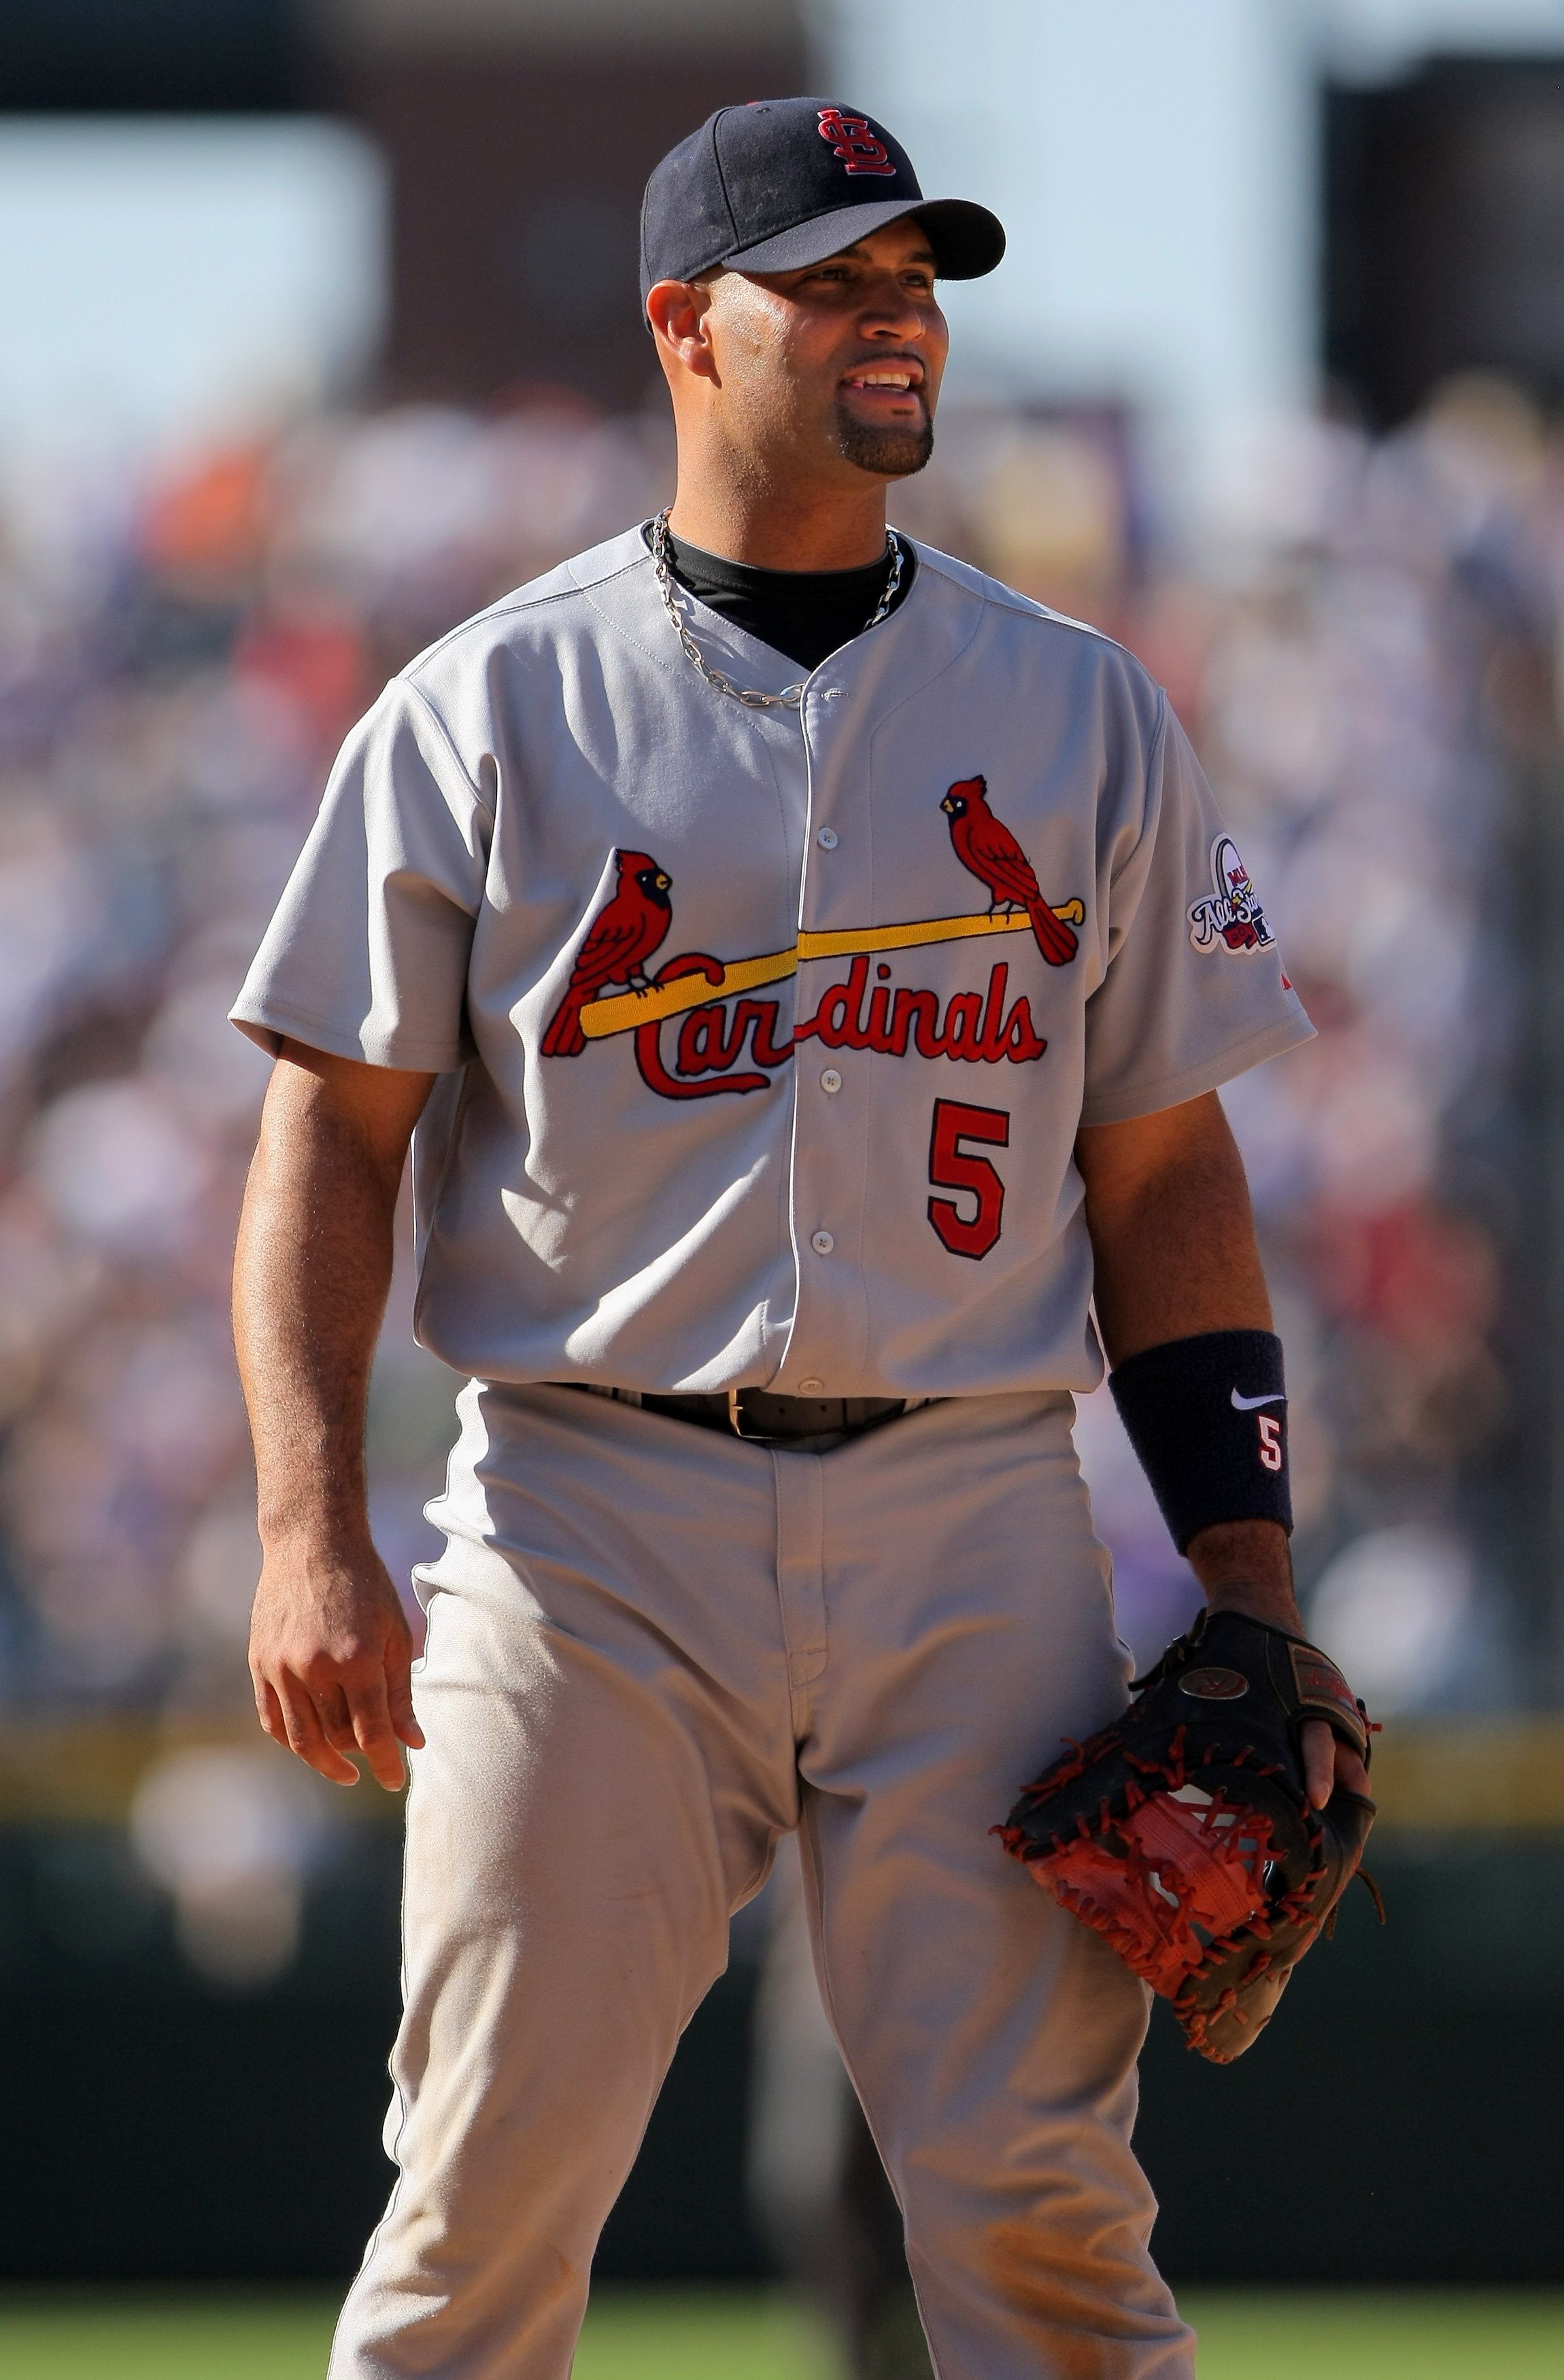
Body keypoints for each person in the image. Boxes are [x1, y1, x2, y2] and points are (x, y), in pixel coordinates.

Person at [232, 96, 1357, 2380]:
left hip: (970, 1504)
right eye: (835, 281)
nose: (895, 320)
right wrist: (302, 1523)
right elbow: (326, 1141)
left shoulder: (1073, 704)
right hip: (586, 1509)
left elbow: (1158, 1169)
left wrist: (1243, 1571)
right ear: (686, 326)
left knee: (1047, 2219)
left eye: (914, 282)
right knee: (480, 2206)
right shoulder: (494, 702)